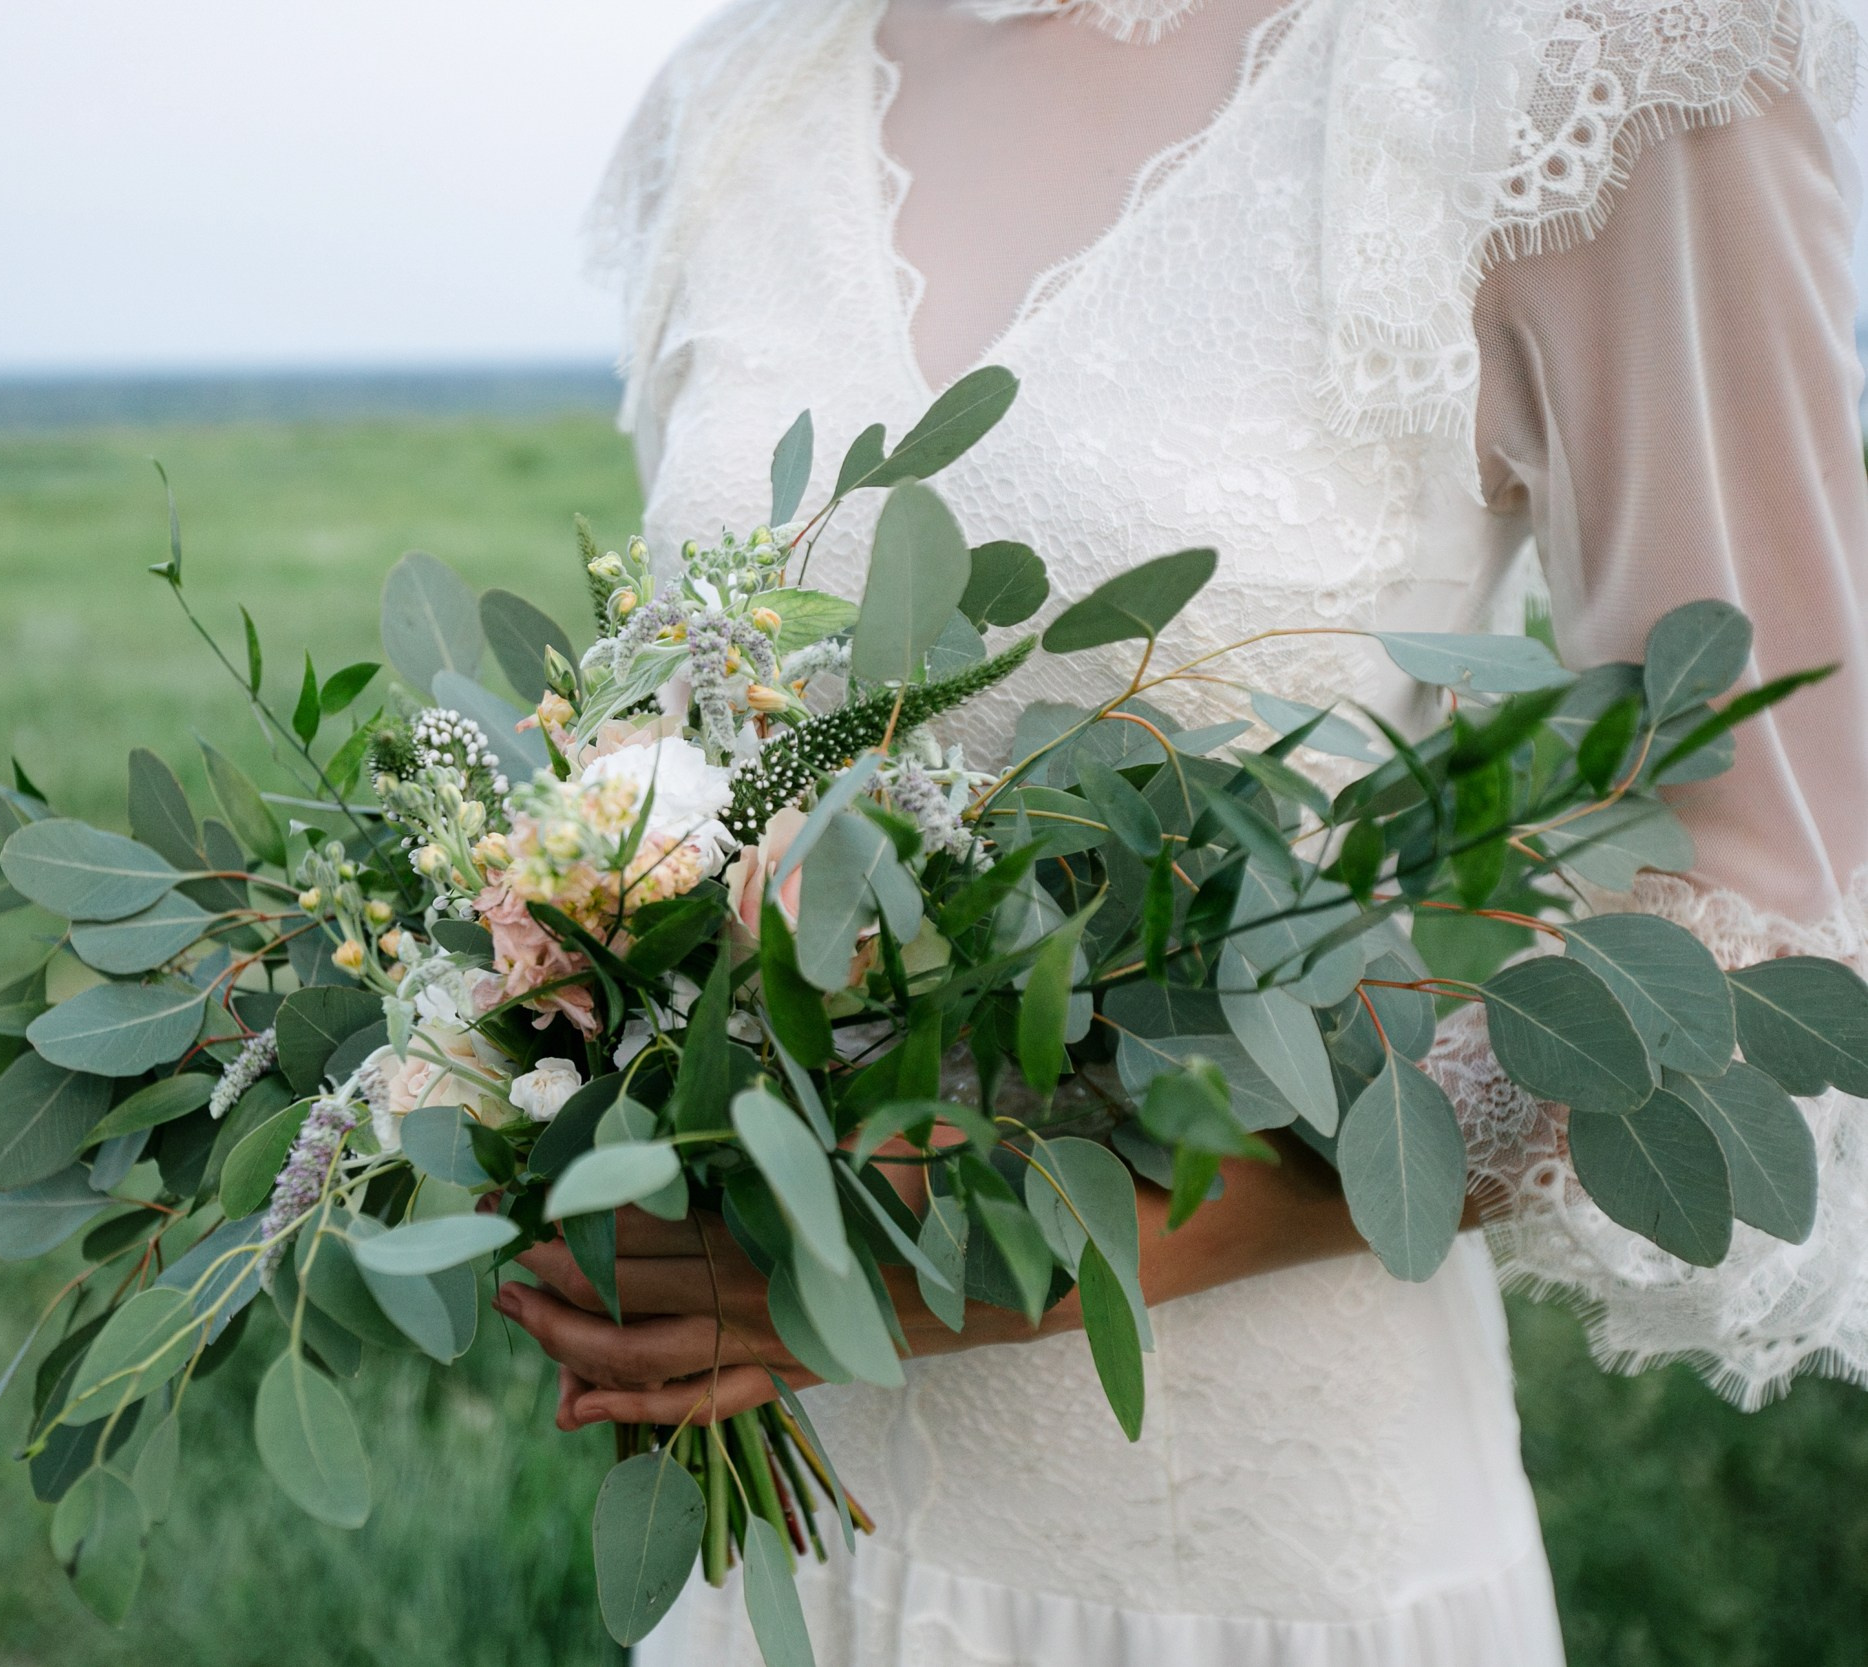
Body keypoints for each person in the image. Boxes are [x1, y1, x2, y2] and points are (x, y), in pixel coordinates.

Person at [494, 2, 1868, 1662]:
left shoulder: (1582, 54)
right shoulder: (744, 92)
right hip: (780, 1574)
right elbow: (710, 752)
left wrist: (938, 1268)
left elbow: (1761, 917)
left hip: (1247, 1561)